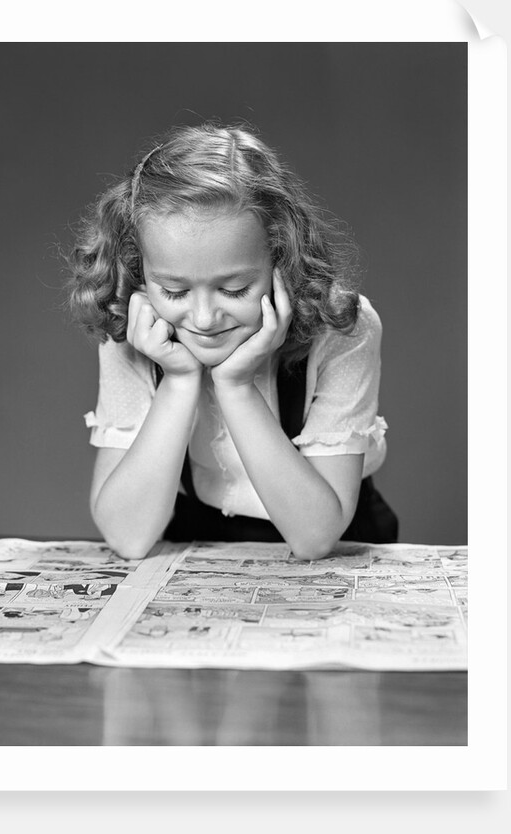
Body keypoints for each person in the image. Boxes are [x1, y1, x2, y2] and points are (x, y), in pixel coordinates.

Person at [68, 123, 397, 560]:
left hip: (332, 536)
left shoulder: (342, 329)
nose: (204, 319)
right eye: (174, 291)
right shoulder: (130, 328)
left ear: (282, 260)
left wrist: (236, 387)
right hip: (197, 537)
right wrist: (178, 382)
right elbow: (128, 537)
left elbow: (315, 538)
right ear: (139, 270)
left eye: (234, 289)